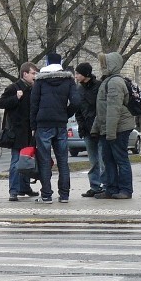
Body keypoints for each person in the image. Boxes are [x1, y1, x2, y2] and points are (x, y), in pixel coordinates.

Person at [30, 60, 80, 203]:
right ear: (60, 64)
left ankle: (46, 194)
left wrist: (33, 126)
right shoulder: (68, 80)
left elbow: (33, 104)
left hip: (43, 124)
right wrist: (65, 114)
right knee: (63, 161)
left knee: (45, 161)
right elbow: (76, 102)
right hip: (60, 124)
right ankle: (64, 195)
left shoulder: (40, 81)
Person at [91, 51, 134, 199]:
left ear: (112, 65)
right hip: (110, 128)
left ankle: (125, 190)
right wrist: (96, 128)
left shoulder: (115, 82)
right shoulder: (108, 81)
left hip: (118, 128)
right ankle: (111, 188)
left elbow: (113, 110)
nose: (102, 66)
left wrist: (110, 133)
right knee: (108, 159)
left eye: (105, 64)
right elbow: (102, 108)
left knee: (120, 159)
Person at [0, 62, 38, 202]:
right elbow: (1, 103)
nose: (35, 76)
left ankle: (25, 187)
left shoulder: (34, 88)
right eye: (33, 73)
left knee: (27, 161)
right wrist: (16, 98)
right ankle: (13, 191)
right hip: (17, 132)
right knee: (16, 161)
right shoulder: (13, 88)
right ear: (24, 74)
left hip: (29, 132)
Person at [74, 63, 104, 197]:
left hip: (99, 128)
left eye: (78, 73)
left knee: (103, 159)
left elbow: (101, 107)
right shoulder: (79, 89)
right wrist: (81, 126)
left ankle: (105, 185)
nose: (76, 76)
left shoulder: (99, 86)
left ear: (85, 74)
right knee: (93, 161)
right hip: (86, 129)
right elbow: (78, 110)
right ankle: (95, 186)